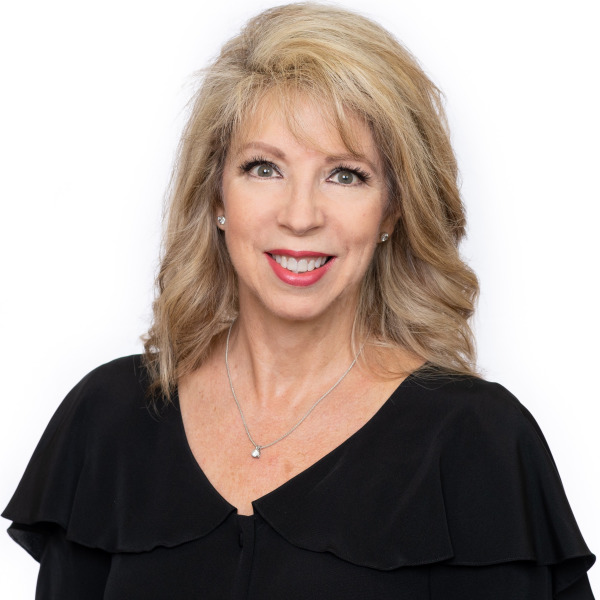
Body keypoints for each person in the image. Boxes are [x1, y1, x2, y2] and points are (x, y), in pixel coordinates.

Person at [3, 3, 595, 598]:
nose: (301, 215)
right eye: (264, 168)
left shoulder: (479, 444)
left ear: (393, 209)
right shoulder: (108, 421)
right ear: (216, 195)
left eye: (345, 175)